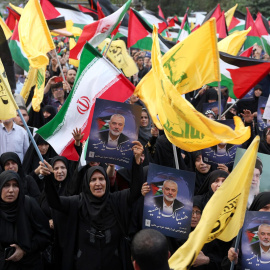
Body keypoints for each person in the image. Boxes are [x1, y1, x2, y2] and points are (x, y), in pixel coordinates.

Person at [40, 141, 144, 270]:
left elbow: (135, 192)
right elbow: (55, 203)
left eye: (101, 179)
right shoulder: (77, 202)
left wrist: (137, 161)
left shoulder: (116, 200)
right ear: (87, 184)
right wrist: (48, 179)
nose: (98, 183)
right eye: (93, 180)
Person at [0, 170, 50, 269]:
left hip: (29, 263)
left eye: (15, 185)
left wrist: (24, 250)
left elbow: (45, 235)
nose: (11, 190)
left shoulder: (29, 204)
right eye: (6, 185)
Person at [222, 192, 270, 270]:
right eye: (265, 207)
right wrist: (233, 260)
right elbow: (227, 265)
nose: (269, 211)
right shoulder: (245, 232)